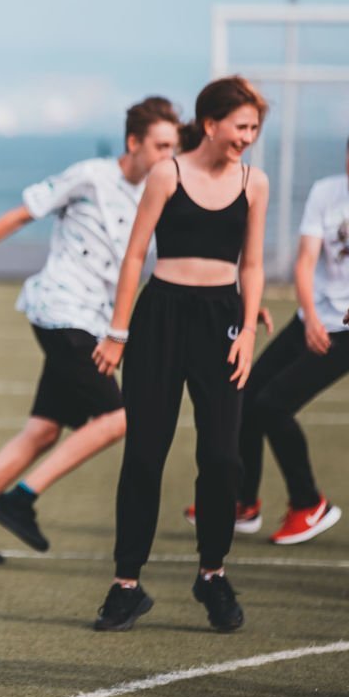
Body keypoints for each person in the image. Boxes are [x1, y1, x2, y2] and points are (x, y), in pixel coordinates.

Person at [0, 97, 181, 563]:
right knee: (118, 418)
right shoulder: (91, 176)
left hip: (94, 320)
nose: (168, 156)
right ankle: (20, 499)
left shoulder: (158, 193)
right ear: (133, 142)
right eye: (161, 146)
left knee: (42, 432)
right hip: (61, 311)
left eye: (173, 147)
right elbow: (21, 215)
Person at [92, 76, 270, 632]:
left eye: (254, 129)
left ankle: (212, 574)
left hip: (223, 322)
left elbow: (253, 265)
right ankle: (126, 584)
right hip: (161, 318)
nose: (247, 137)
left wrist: (247, 329)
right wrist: (117, 332)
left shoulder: (255, 183)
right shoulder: (166, 174)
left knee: (222, 457)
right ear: (211, 123)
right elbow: (134, 256)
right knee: (145, 455)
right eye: (240, 127)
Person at [218, 116, 349, 545]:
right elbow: (304, 263)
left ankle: (309, 503)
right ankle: (243, 502)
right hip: (313, 318)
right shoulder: (324, 192)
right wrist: (311, 317)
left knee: (273, 406)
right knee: (245, 391)